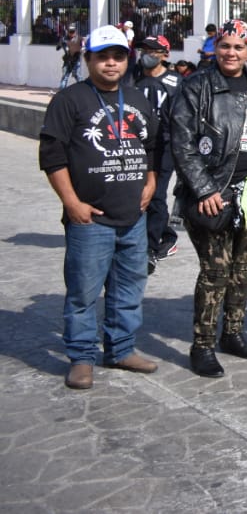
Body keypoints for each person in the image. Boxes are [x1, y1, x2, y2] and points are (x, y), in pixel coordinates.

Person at [39, 25, 159, 390]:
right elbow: (52, 155)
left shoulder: (137, 99)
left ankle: (121, 348)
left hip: (133, 217)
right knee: (83, 292)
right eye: (103, 56)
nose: (111, 63)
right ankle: (81, 357)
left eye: (118, 56)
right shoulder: (70, 100)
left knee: (129, 288)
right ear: (88, 58)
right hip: (90, 219)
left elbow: (151, 146)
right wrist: (71, 202)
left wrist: (151, 181)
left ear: (127, 60)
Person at [170, 19, 247, 378]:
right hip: (212, 192)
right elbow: (182, 144)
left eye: (239, 47)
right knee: (215, 270)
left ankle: (232, 333)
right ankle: (202, 345)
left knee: (241, 269)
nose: (232, 52)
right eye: (225, 45)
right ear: (215, 48)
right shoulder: (195, 87)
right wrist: (204, 189)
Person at [132, 35, 182, 272]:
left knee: (156, 194)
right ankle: (165, 233)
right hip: (137, 146)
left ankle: (151, 247)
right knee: (138, 193)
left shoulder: (175, 82)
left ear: (165, 54)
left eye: (154, 50)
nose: (147, 54)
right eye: (144, 49)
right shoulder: (133, 78)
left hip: (164, 147)